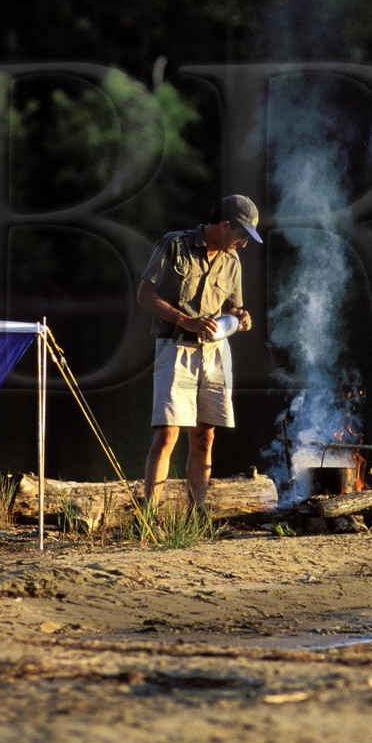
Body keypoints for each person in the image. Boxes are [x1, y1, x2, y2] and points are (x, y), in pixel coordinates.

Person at [138, 194, 261, 511]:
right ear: (223, 225)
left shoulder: (232, 263)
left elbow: (234, 308)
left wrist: (241, 318)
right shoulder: (174, 245)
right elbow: (144, 295)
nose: (243, 244)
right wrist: (184, 320)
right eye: (242, 236)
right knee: (167, 433)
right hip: (175, 347)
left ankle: (198, 515)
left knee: (204, 436)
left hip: (215, 355)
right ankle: (149, 517)